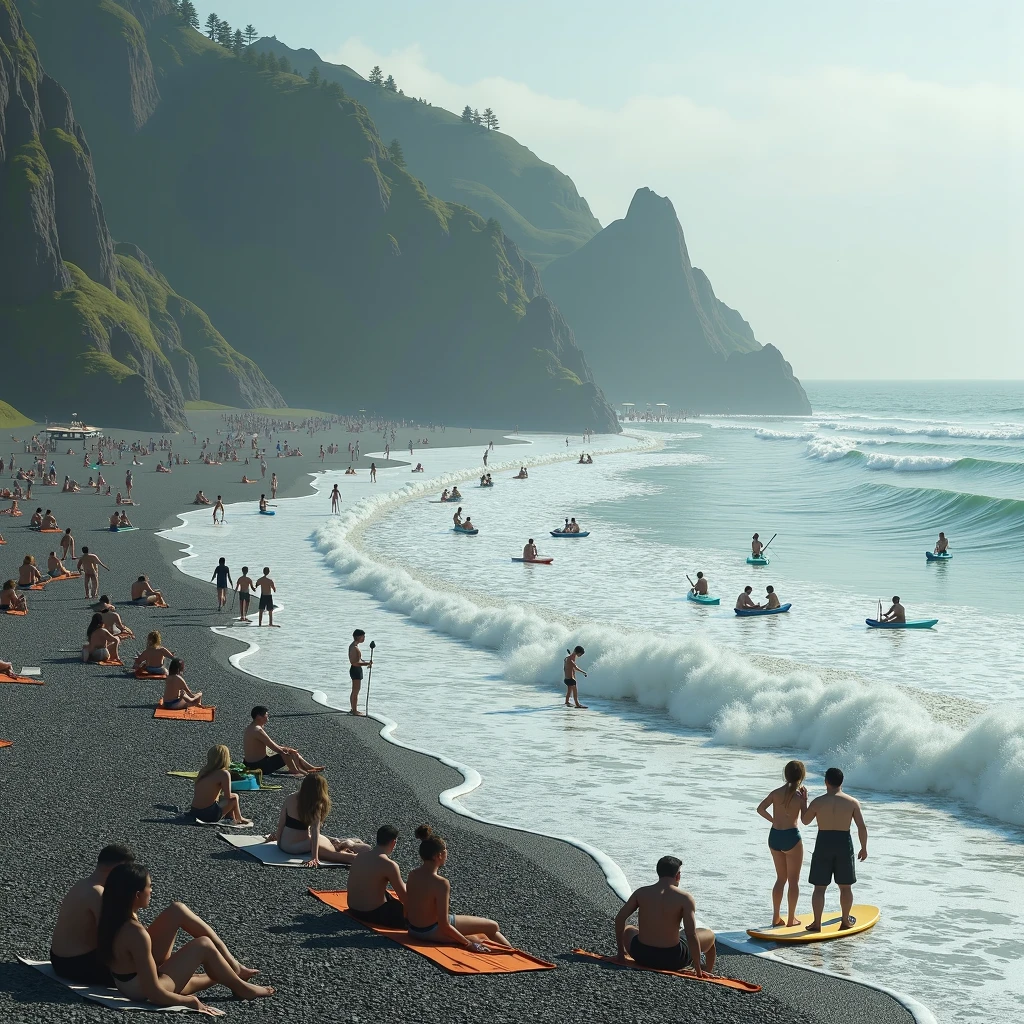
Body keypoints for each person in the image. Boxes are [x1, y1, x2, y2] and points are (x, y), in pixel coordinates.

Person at [98, 862, 273, 1008]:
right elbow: (154, 993)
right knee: (203, 945)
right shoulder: (135, 933)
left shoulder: (114, 913)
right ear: (137, 895)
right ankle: (241, 987)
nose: (151, 890)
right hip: (141, 990)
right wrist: (190, 1002)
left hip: (133, 976)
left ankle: (232, 966)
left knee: (177, 910)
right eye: (149, 886)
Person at [404, 825, 510, 950]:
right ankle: (513, 953)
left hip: (413, 930)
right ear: (439, 855)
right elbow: (444, 925)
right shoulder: (441, 883)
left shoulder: (413, 874)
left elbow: (407, 909)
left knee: (477, 934)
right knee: (493, 926)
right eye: (445, 851)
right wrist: (468, 944)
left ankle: (509, 951)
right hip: (430, 931)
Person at [614, 855, 716, 976]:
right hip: (673, 959)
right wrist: (698, 971)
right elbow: (691, 933)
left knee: (629, 929)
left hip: (641, 955)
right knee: (709, 935)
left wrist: (621, 954)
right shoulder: (685, 898)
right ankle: (706, 969)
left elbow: (620, 918)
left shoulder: (641, 892)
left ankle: (623, 953)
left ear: (658, 872)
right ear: (678, 875)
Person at [801, 767, 868, 932]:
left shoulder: (818, 802)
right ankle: (845, 921)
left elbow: (805, 821)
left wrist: (804, 802)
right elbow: (861, 827)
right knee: (845, 886)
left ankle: (817, 923)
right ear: (842, 782)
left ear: (826, 782)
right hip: (843, 843)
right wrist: (863, 848)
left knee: (819, 887)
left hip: (824, 842)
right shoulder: (852, 802)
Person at [265, 774, 368, 867]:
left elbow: (281, 824)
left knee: (327, 842)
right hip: (298, 845)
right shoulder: (315, 805)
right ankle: (355, 850)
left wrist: (279, 841)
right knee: (335, 854)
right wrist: (315, 857)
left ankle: (344, 844)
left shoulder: (290, 797)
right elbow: (315, 832)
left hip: (284, 844)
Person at [756, 760, 808, 927]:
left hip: (775, 836)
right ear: (802, 776)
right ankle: (791, 919)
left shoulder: (776, 792)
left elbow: (760, 809)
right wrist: (805, 802)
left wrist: (774, 820)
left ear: (785, 775)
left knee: (780, 879)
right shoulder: (800, 795)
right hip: (791, 837)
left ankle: (776, 917)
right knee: (793, 881)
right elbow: (806, 820)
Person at [346, 825, 408, 927]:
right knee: (403, 911)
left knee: (386, 894)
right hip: (370, 913)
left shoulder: (360, 856)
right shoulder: (389, 865)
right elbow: (404, 897)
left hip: (353, 908)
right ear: (393, 843)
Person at [243, 706, 323, 776]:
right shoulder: (258, 730)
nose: (267, 718)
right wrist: (287, 751)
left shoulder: (251, 727)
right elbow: (274, 748)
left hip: (248, 763)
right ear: (258, 717)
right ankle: (295, 770)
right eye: (266, 716)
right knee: (285, 753)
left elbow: (272, 745)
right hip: (260, 766)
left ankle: (310, 768)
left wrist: (288, 749)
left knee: (288, 751)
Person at [191, 745, 250, 824]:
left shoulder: (204, 771)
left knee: (222, 798)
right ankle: (239, 818)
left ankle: (231, 817)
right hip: (207, 815)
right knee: (234, 797)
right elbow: (228, 796)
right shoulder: (224, 774)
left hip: (194, 811)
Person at [348, 629, 371, 715]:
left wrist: (367, 662)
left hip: (356, 669)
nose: (364, 638)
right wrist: (366, 664)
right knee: (355, 691)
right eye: (363, 636)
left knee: (355, 690)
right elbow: (354, 662)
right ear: (358, 637)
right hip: (355, 670)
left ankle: (353, 709)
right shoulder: (354, 648)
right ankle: (354, 710)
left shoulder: (354, 646)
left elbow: (359, 660)